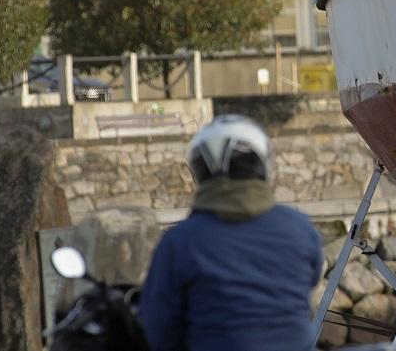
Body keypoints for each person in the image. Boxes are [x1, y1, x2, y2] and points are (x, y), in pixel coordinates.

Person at [138, 115, 323, 351]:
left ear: (198, 171)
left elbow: (159, 332)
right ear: (263, 165)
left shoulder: (180, 241)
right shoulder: (300, 228)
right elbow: (310, 282)